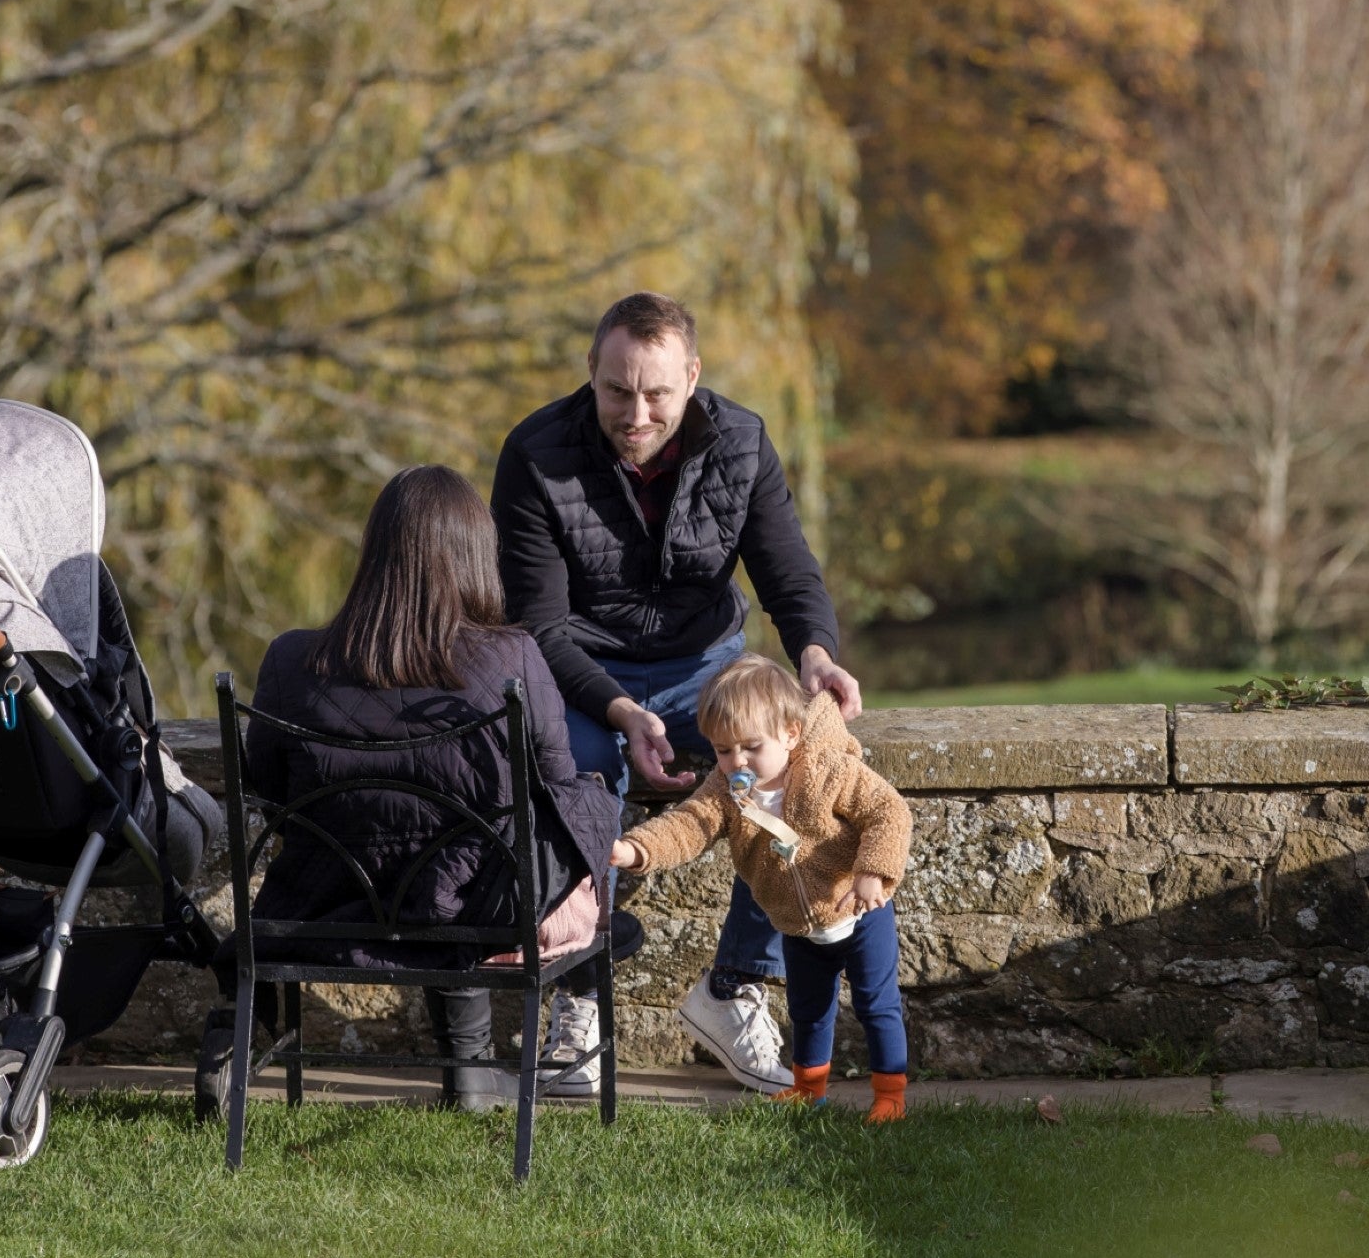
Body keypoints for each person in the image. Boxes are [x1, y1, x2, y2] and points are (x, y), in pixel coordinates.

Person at [491, 291, 863, 1092]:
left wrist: (815, 654)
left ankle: (732, 989)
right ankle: (577, 1002)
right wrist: (622, 713)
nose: (636, 411)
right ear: (591, 371)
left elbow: (787, 571)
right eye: (618, 389)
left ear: (691, 378)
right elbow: (539, 630)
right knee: (570, 778)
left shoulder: (742, 441)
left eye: (657, 392)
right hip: (582, 673)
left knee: (796, 772)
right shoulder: (535, 453)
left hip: (705, 664)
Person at [199, 465, 626, 1113]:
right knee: (578, 807)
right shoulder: (514, 657)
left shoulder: (291, 660)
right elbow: (555, 787)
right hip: (475, 916)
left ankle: (470, 1072)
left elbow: (269, 789)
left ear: (375, 554)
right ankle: (471, 1072)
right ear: (476, 556)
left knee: (436, 863)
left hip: (324, 907)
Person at [612, 656, 912, 1121]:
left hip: (858, 910)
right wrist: (634, 850)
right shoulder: (727, 791)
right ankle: (809, 1089)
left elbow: (888, 812)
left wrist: (871, 871)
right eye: (724, 750)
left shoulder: (828, 770)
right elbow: (688, 826)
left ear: (791, 734)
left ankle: (889, 1095)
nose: (737, 762)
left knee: (876, 1003)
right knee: (808, 1010)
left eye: (751, 747)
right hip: (798, 926)